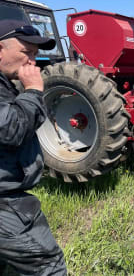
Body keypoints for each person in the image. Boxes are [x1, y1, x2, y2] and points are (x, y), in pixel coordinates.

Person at [0, 20, 67, 275]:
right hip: (5, 205)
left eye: (35, 54)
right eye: (26, 52)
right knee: (47, 266)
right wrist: (33, 91)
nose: (32, 61)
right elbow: (11, 129)